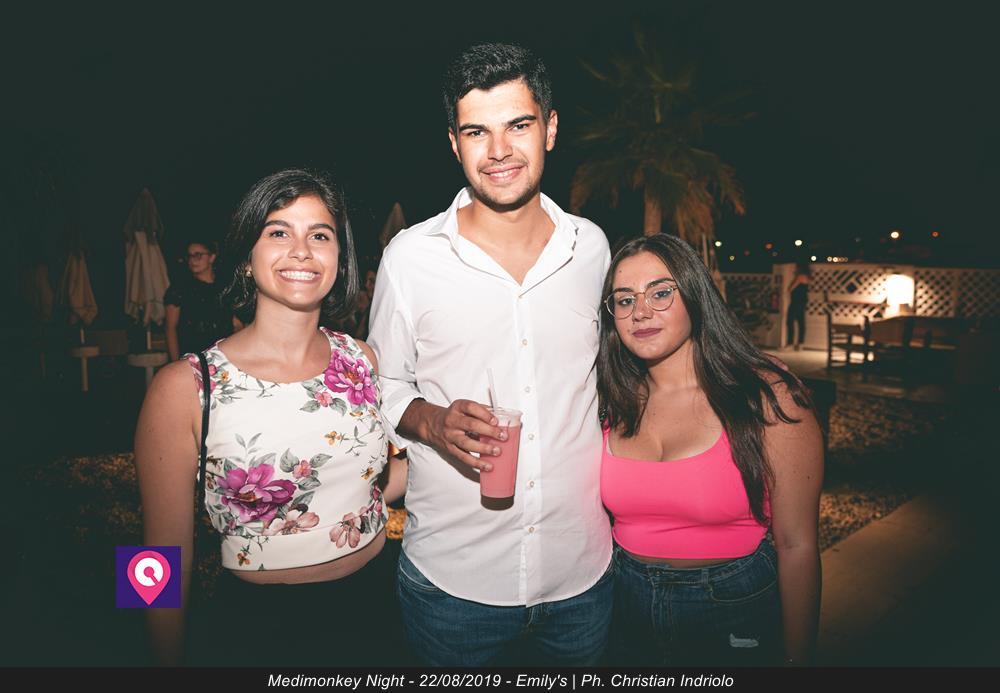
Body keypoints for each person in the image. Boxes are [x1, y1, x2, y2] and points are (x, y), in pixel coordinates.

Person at [367, 43, 613, 666]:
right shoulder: (410, 257)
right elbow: (382, 384)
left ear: (550, 129)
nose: (498, 150)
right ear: (454, 144)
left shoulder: (592, 249)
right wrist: (432, 422)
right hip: (452, 584)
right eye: (477, 131)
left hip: (582, 577)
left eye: (518, 125)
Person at [135, 169, 405, 666]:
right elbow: (156, 553)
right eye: (279, 232)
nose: (301, 251)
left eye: (319, 236)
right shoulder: (185, 387)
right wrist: (159, 663)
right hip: (258, 631)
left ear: (339, 258)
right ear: (245, 257)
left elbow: (371, 484)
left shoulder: (362, 360)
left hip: (376, 611)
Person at [598, 234, 823, 666]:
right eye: (624, 300)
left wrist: (798, 663)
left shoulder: (765, 395)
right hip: (624, 605)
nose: (640, 312)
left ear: (695, 295)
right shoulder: (613, 398)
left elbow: (797, 544)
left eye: (660, 293)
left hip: (731, 607)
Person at [164, 239, 242, 361]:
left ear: (212, 257)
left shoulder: (224, 288)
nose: (192, 260)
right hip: (192, 357)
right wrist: (176, 363)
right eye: (189, 256)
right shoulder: (180, 289)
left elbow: (236, 324)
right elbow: (170, 328)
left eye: (198, 255)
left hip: (222, 356)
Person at [786, 262, 811, 350]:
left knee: (790, 321)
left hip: (796, 301)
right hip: (802, 301)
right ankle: (800, 343)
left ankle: (790, 343)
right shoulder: (807, 277)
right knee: (801, 322)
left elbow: (790, 288)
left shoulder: (800, 277)